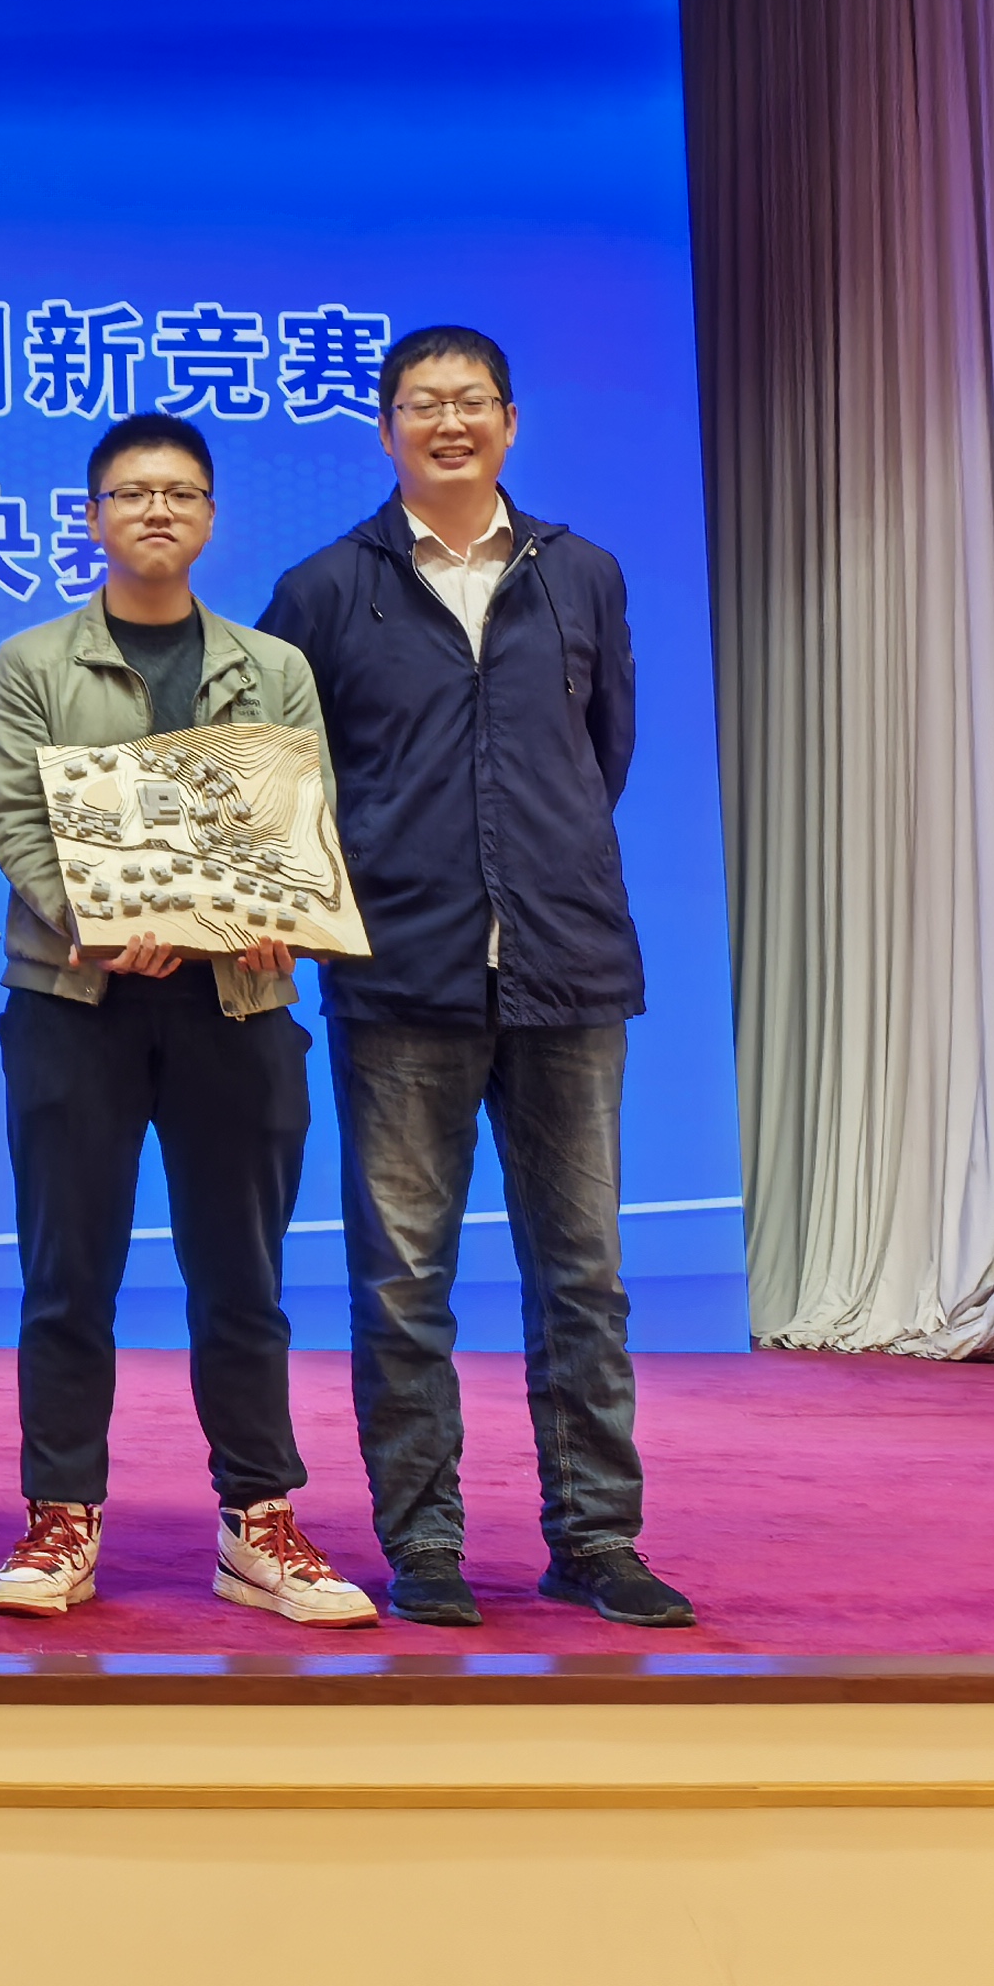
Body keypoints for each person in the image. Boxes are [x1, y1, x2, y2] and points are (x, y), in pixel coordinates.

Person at [258, 327, 691, 1631]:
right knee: (403, 1284)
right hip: (402, 976)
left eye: (471, 401)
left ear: (509, 421)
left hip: (569, 965)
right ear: (385, 428)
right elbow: (281, 781)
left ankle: (596, 1538)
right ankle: (425, 1541)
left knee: (584, 1276)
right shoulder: (324, 589)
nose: (448, 423)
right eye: (421, 404)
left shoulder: (583, 575)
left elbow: (602, 756)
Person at [0, 411, 374, 1627]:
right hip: (74, 1001)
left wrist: (281, 913)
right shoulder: (32, 663)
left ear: (208, 516)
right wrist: (97, 920)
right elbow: (18, 821)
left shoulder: (272, 664)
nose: (157, 510)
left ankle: (258, 1520)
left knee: (242, 1278)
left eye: (181, 493)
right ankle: (59, 1516)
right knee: (66, 1274)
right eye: (133, 493)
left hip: (237, 1003)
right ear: (93, 516)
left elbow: (300, 821)